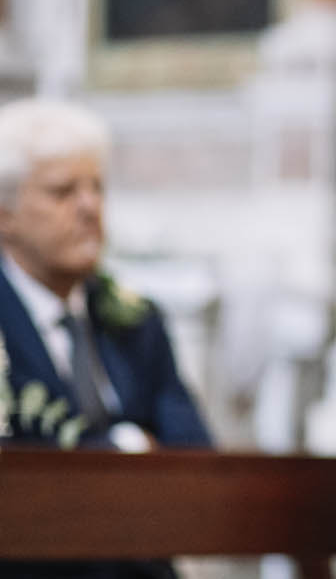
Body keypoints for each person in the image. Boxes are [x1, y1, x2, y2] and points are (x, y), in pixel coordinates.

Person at [0, 100, 210, 579]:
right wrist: (127, 448)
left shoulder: (137, 322)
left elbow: (194, 459)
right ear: (4, 216)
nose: (89, 207)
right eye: (63, 192)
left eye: (97, 187)